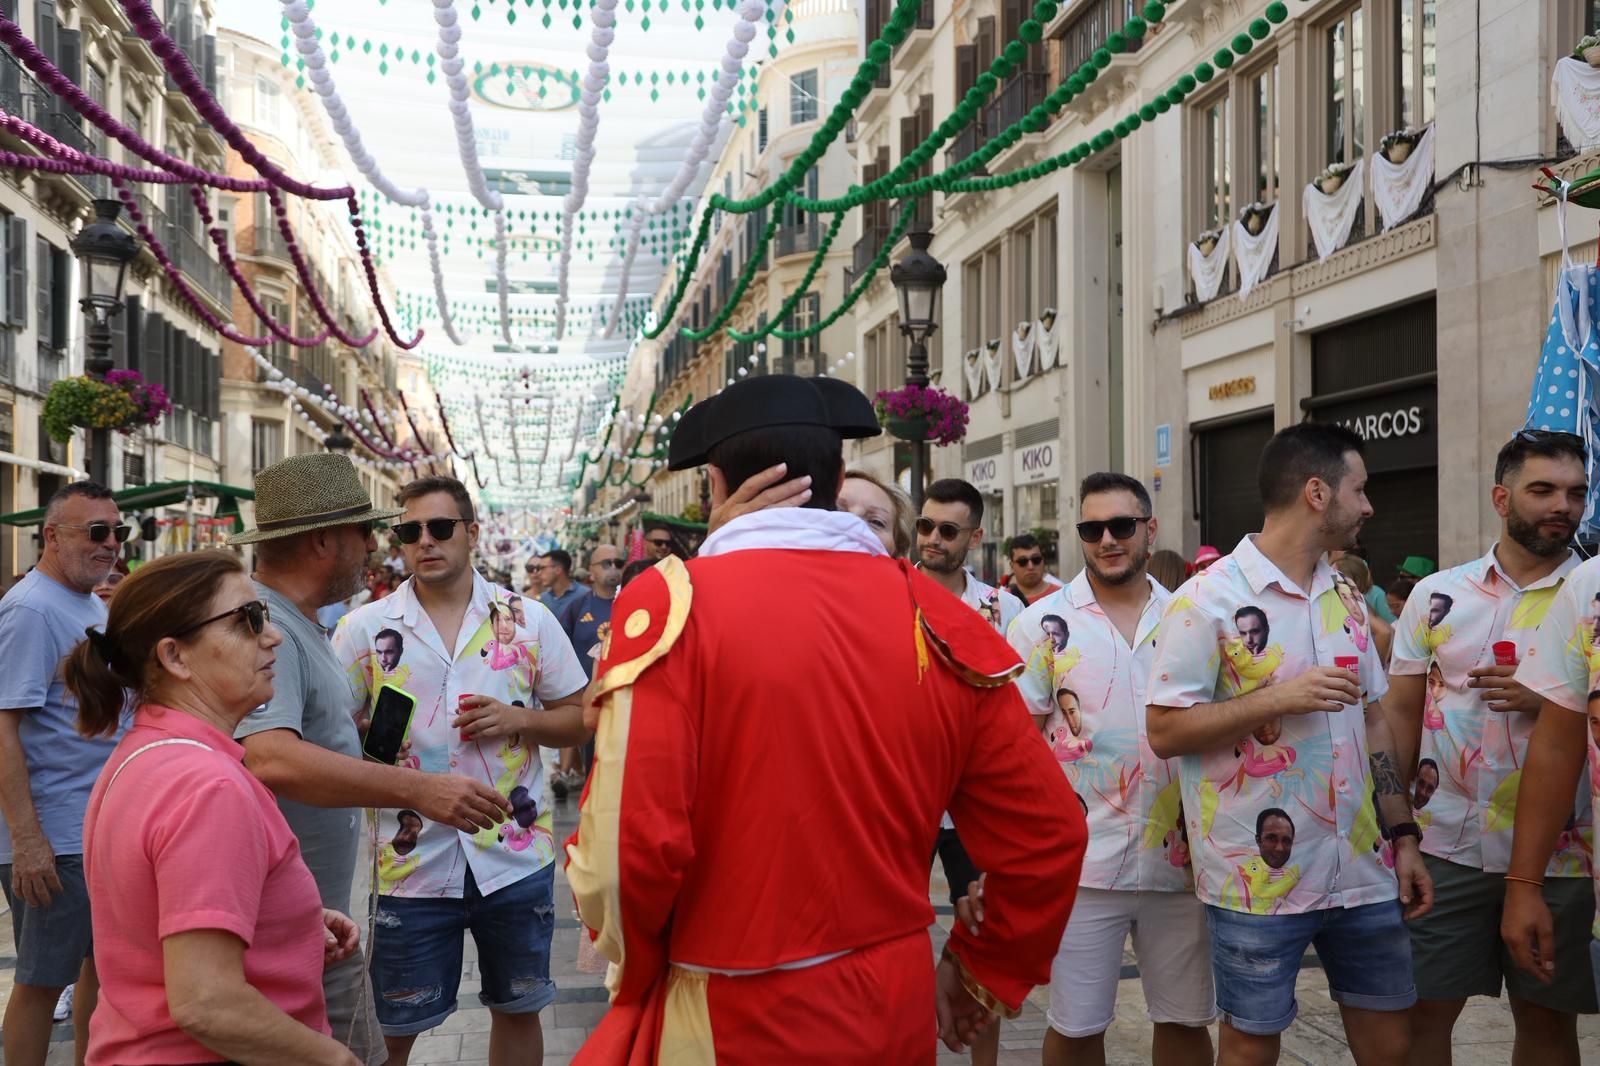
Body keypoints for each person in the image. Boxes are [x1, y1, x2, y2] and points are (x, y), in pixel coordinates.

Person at [565, 374, 1085, 1062]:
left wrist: (641, 971)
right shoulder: (938, 619)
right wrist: (978, 967)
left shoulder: (673, 609)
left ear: (714, 485)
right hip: (888, 1010)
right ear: (838, 479)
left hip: (727, 1010)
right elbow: (1049, 834)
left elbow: (621, 863)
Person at [1147, 422, 1432, 1066]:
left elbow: (1374, 720)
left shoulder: (1347, 595)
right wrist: (1279, 697)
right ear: (1316, 493)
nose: (1369, 505)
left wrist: (1404, 836)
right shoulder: (1206, 599)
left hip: (1363, 871)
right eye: (1359, 490)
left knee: (1392, 1043)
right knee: (1250, 1048)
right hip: (1259, 879)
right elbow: (1164, 730)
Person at [229, 454, 510, 1066]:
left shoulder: (300, 625)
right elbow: (269, 757)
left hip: (314, 920)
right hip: (278, 924)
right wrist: (416, 790)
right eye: (370, 533)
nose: (377, 548)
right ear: (327, 540)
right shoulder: (266, 624)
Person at [65, 549, 362, 1066]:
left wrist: (283, 919)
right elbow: (207, 1002)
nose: (271, 636)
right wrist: (336, 1060)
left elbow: (158, 915)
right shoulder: (208, 786)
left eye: (264, 616)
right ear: (175, 657)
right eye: (247, 621)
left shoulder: (147, 754)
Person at [333, 476, 589, 1066]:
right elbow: (330, 739)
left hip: (515, 855)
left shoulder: (527, 619)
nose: (425, 541)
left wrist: (515, 717)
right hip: (410, 864)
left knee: (520, 1008)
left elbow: (579, 718)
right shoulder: (364, 630)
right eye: (409, 531)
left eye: (441, 527)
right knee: (394, 1026)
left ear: (471, 533)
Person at [1384, 430, 1595, 1065]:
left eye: (1577, 493)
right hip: (1443, 844)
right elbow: (1399, 710)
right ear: (1502, 497)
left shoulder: (1588, 598)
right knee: (1421, 1019)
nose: (1563, 505)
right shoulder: (1437, 595)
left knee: (1548, 1024)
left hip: (1563, 853)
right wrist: (1396, 831)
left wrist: (1553, 699)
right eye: (1543, 490)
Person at [1005, 473, 1214, 1066]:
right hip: (1079, 866)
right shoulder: (1040, 625)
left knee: (1185, 1020)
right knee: (1075, 1026)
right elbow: (1015, 742)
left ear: (1150, 530)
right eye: (1091, 529)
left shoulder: (1192, 617)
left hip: (1182, 862)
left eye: (1121, 526)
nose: (1106, 540)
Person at [0, 481, 126, 1066]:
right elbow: (2, 727)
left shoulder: (86, 603)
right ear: (52, 536)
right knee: (41, 982)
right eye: (95, 532)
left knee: (104, 971)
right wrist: (28, 840)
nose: (110, 545)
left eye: (117, 533)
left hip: (93, 828)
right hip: (57, 837)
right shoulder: (29, 609)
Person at [915, 477, 1024, 1066]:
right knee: (895, 936)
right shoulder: (891, 595)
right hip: (905, 796)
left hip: (974, 805)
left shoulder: (1003, 609)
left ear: (975, 537)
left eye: (947, 530)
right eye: (925, 526)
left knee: (982, 942)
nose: (932, 539)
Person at [552, 544, 623, 797]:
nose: (613, 568)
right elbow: (559, 647)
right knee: (593, 758)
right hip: (587, 697)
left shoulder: (632, 601)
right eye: (606, 563)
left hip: (622, 699)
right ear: (592, 570)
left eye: (618, 563)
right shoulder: (578, 606)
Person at [1332, 554, 1394, 663]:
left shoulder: (1354, 602)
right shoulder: (1361, 600)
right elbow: (1388, 629)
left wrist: (1375, 667)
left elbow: (1384, 632)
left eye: (1334, 576)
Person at [1004, 532, 1064, 605]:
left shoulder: (1061, 596)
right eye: (1023, 561)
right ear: (1012, 566)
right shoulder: (1002, 601)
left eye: (1036, 559)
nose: (1030, 566)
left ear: (1043, 561)